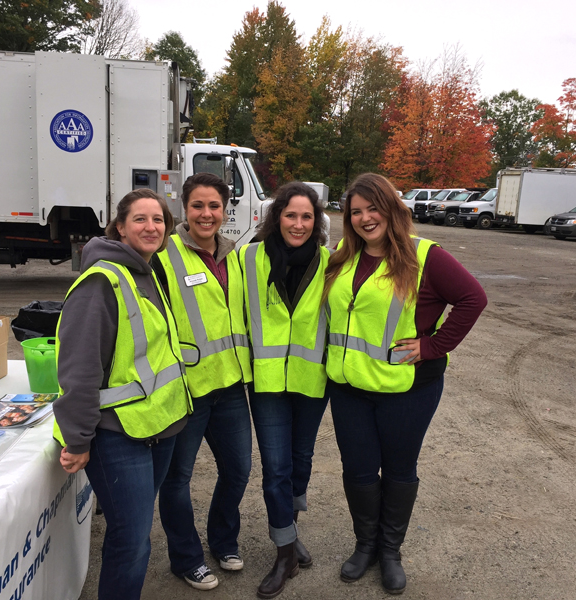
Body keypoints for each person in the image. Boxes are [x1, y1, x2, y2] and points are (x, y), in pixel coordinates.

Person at [323, 173, 487, 595]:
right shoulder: (343, 255)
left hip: (407, 389)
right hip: (349, 386)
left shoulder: (424, 256)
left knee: (398, 470)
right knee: (358, 470)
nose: (364, 218)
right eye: (355, 211)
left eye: (372, 208)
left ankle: (390, 551)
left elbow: (473, 299)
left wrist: (433, 345)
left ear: (392, 208)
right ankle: (366, 546)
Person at [53, 188, 192, 600]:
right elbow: (79, 369)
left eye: (159, 220)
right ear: (119, 227)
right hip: (118, 433)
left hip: (158, 425)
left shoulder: (148, 272)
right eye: (140, 219)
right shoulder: (101, 283)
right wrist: (77, 439)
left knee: (135, 532)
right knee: (131, 541)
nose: (151, 227)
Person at [152, 173, 253, 590]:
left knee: (239, 470)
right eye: (198, 206)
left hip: (229, 386)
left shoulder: (236, 255)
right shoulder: (163, 254)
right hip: (187, 390)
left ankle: (223, 541)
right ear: (184, 209)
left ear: (225, 210)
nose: (206, 214)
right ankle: (186, 557)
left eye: (214, 206)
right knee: (177, 479)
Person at [239, 181, 330, 599]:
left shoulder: (332, 262)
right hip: (269, 382)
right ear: (277, 217)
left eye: (306, 216)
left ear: (318, 221)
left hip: (312, 381)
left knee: (300, 462)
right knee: (276, 469)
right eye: (290, 215)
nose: (298, 224)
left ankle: (290, 536)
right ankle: (284, 553)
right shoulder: (249, 257)